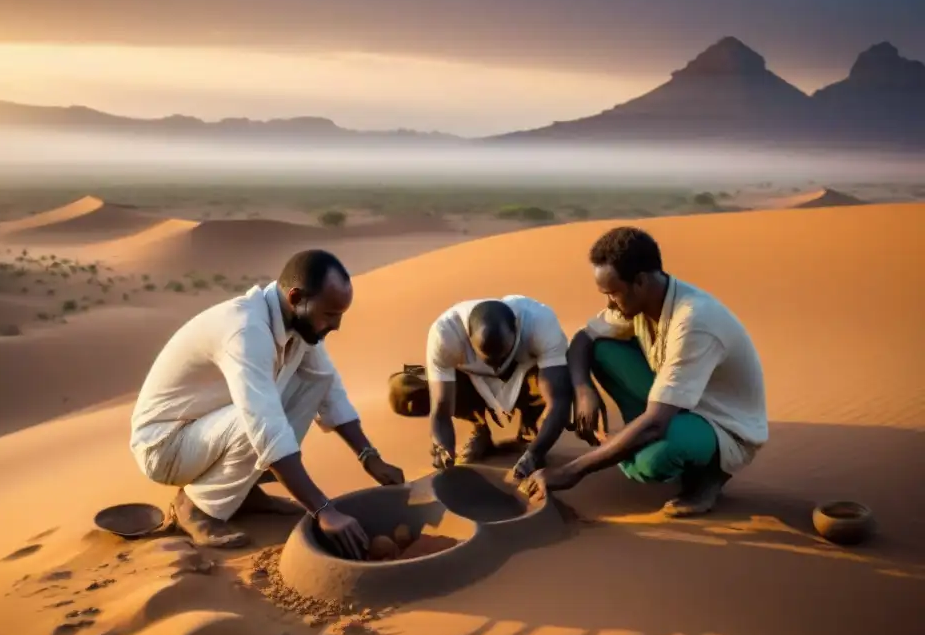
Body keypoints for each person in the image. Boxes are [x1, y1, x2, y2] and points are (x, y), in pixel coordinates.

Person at [129, 249, 405, 557]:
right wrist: (324, 509)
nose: (336, 325)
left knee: (311, 382)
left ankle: (240, 492)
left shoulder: (297, 324)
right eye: (329, 314)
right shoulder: (246, 330)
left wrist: (369, 456)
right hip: (165, 447)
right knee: (261, 419)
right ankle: (197, 508)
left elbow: (328, 389)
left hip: (204, 433)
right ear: (296, 297)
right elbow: (265, 426)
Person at [521, 226, 768, 516]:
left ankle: (710, 475)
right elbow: (582, 340)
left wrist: (571, 471)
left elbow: (655, 423)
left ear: (639, 281)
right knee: (600, 348)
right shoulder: (644, 301)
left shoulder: (693, 321)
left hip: (721, 424)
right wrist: (583, 389)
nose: (608, 303)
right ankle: (632, 441)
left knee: (650, 464)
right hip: (674, 405)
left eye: (613, 294)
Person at [389, 295, 573, 481]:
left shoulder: (540, 322)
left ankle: (530, 426)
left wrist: (534, 455)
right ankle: (479, 427)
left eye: (501, 358)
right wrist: (443, 449)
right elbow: (441, 407)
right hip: (469, 378)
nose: (495, 367)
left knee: (566, 371)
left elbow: (559, 400)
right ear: (468, 336)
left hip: (525, 374)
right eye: (487, 359)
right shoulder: (445, 333)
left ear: (517, 329)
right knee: (403, 386)